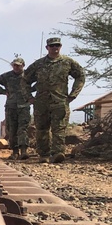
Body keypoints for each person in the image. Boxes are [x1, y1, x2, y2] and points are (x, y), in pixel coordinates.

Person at [24, 36, 85, 164]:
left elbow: (80, 75)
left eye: (57, 45)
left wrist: (73, 94)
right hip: (41, 103)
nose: (55, 48)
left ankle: (58, 153)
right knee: (41, 129)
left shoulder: (67, 62)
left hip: (60, 101)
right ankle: (44, 154)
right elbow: (24, 80)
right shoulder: (38, 64)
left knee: (59, 128)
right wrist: (29, 97)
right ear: (47, 48)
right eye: (52, 46)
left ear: (60, 47)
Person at [0, 56, 34, 159]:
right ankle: (15, 152)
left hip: (24, 105)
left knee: (23, 128)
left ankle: (24, 151)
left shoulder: (28, 76)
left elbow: (40, 82)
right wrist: (3, 92)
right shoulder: (6, 76)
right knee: (11, 129)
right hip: (11, 106)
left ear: (23, 66)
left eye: (18, 65)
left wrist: (30, 91)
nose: (16, 67)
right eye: (14, 65)